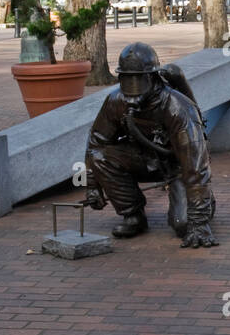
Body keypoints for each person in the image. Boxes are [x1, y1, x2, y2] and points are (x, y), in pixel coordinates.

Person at [84, 42, 218, 247]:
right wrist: (92, 185)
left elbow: (196, 165)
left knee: (184, 225)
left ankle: (205, 204)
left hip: (177, 165)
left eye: (138, 79)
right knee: (100, 156)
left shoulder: (177, 106)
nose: (132, 87)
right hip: (142, 159)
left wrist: (198, 221)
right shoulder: (115, 101)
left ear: (152, 77)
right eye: (127, 80)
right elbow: (96, 143)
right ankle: (132, 215)